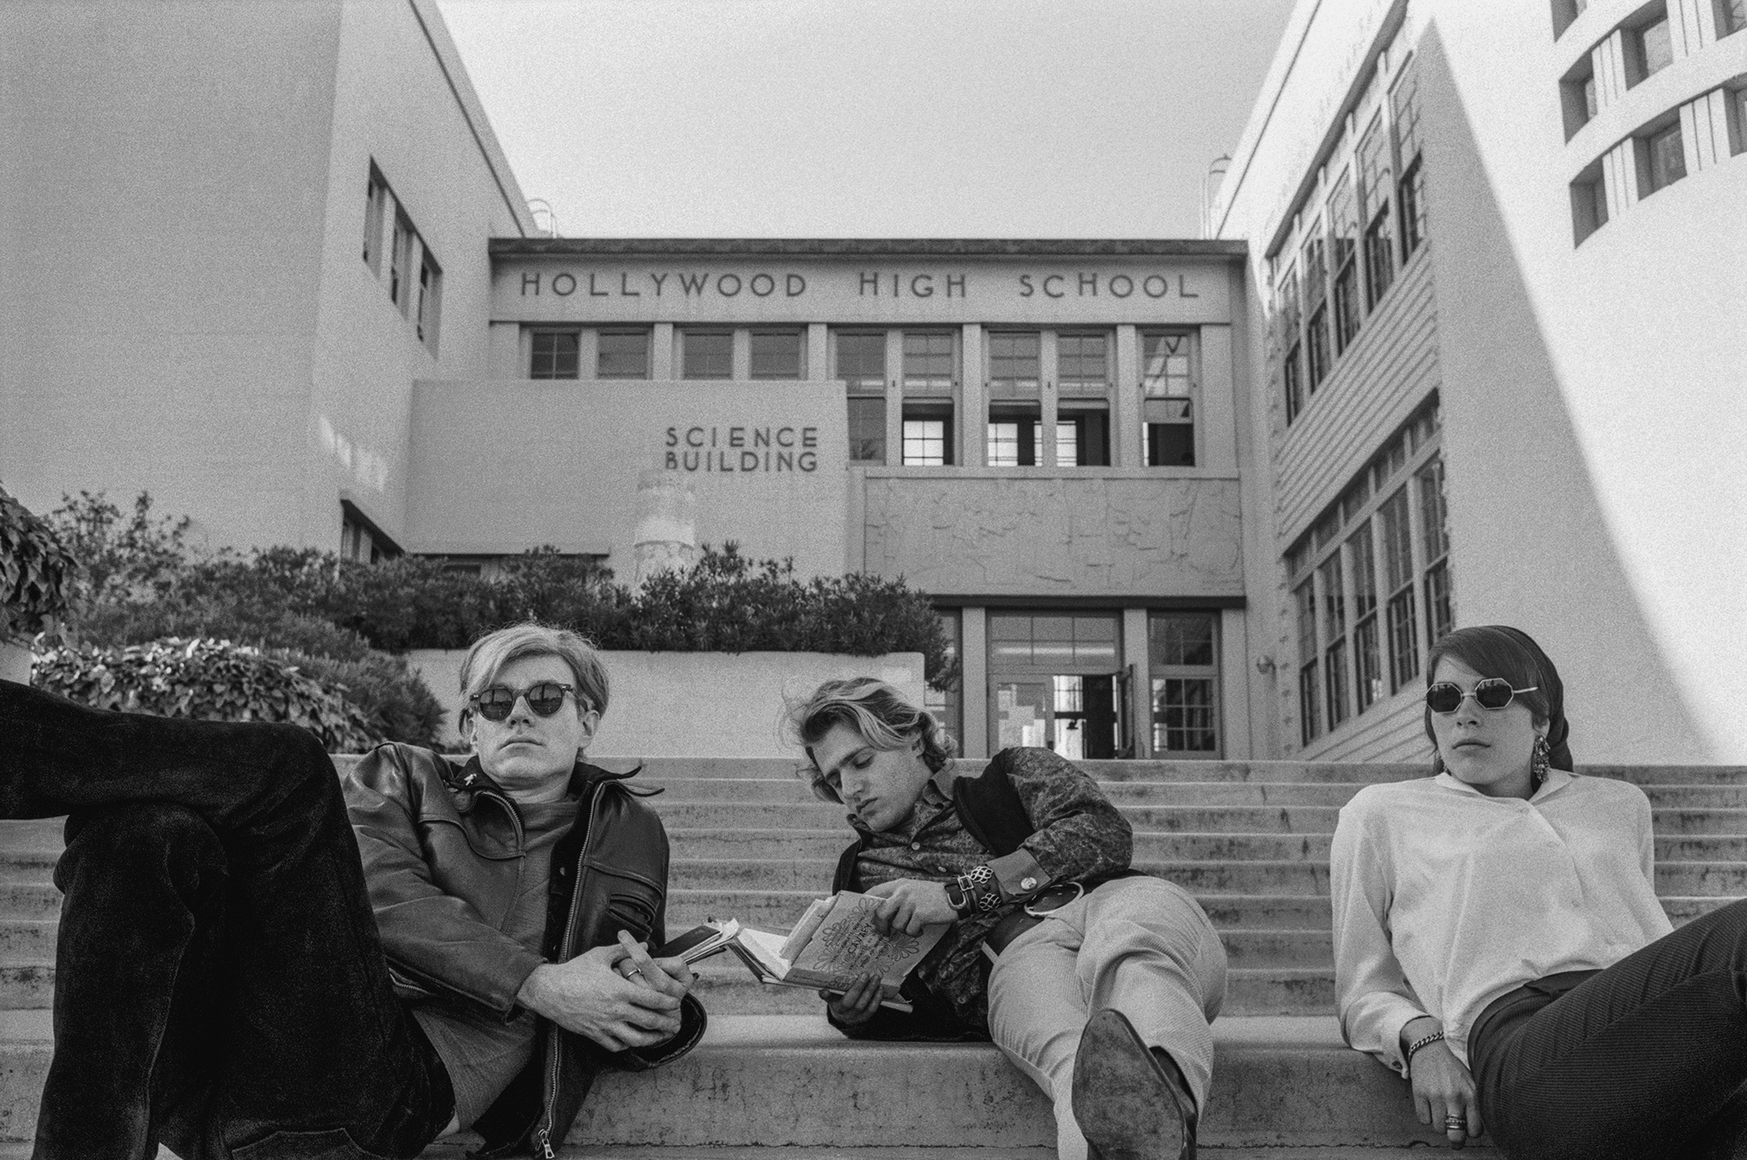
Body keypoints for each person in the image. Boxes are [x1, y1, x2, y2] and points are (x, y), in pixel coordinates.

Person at [0, 622, 704, 1160]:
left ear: (588, 717)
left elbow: (626, 969)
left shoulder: (631, 831)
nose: (518, 713)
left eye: (546, 696)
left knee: (287, 766)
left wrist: (668, 1016)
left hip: (382, 1099)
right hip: (230, 1068)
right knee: (144, 833)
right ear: (470, 726)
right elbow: (379, 893)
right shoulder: (403, 772)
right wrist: (537, 983)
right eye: (494, 700)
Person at [1331, 624, 1747, 1159]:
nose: (1465, 713)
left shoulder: (1619, 805)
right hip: (1529, 1057)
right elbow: (1361, 990)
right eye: (1445, 697)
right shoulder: (1381, 815)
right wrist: (1421, 1037)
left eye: (1493, 694)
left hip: (1654, 1040)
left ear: (1542, 720)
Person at [785, 678, 1226, 1160]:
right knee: (1072, 1059)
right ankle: (1156, 1124)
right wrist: (853, 1014)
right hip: (1015, 956)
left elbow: (1102, 832)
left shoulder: (1014, 773)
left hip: (1113, 902)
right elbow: (912, 1000)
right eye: (834, 779)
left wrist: (957, 896)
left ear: (911, 738)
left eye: (861, 761)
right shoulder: (861, 876)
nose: (850, 789)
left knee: (1138, 957)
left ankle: (1158, 1103)